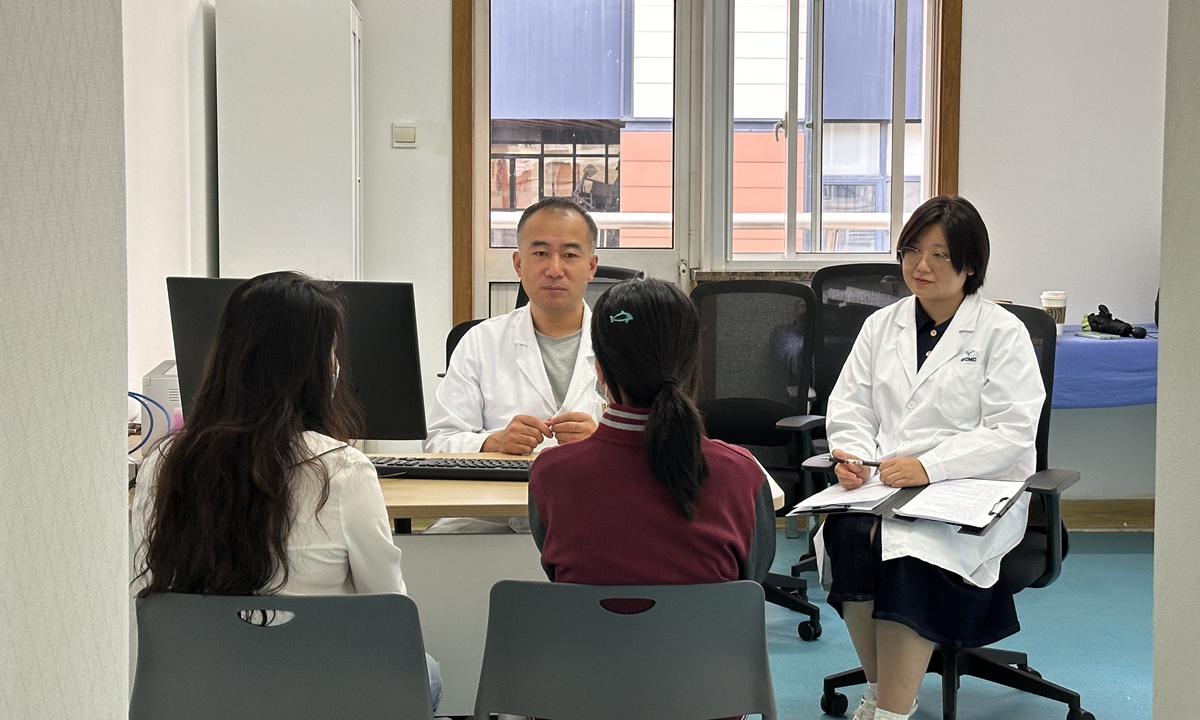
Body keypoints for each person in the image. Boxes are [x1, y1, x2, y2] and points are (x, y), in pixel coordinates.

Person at [131, 271, 441, 710]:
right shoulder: (343, 470)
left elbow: (154, 591)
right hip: (318, 696)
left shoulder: (162, 465)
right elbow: (389, 616)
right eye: (331, 353)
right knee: (427, 671)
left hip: (199, 695)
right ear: (312, 368)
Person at [816, 195, 1044, 720]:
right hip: (884, 483)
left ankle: (891, 710)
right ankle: (883, 693)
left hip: (972, 489)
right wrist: (851, 455)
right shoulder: (882, 327)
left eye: (940, 255)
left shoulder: (1001, 333)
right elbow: (849, 404)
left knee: (909, 552)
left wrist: (931, 466)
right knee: (848, 536)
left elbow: (1011, 431)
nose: (921, 265)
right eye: (913, 250)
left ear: (970, 265)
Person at [529, 278, 777, 586]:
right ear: (690, 366)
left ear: (600, 370)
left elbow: (556, 574)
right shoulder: (741, 473)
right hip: (706, 636)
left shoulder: (550, 473)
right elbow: (752, 580)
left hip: (588, 635)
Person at [423, 197, 607, 534]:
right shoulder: (481, 342)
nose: (554, 268)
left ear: (591, 266)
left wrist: (602, 443)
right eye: (540, 253)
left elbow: (658, 446)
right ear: (518, 263)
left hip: (593, 518)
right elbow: (438, 443)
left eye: (569, 254)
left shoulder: (619, 343)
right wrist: (492, 443)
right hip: (487, 519)